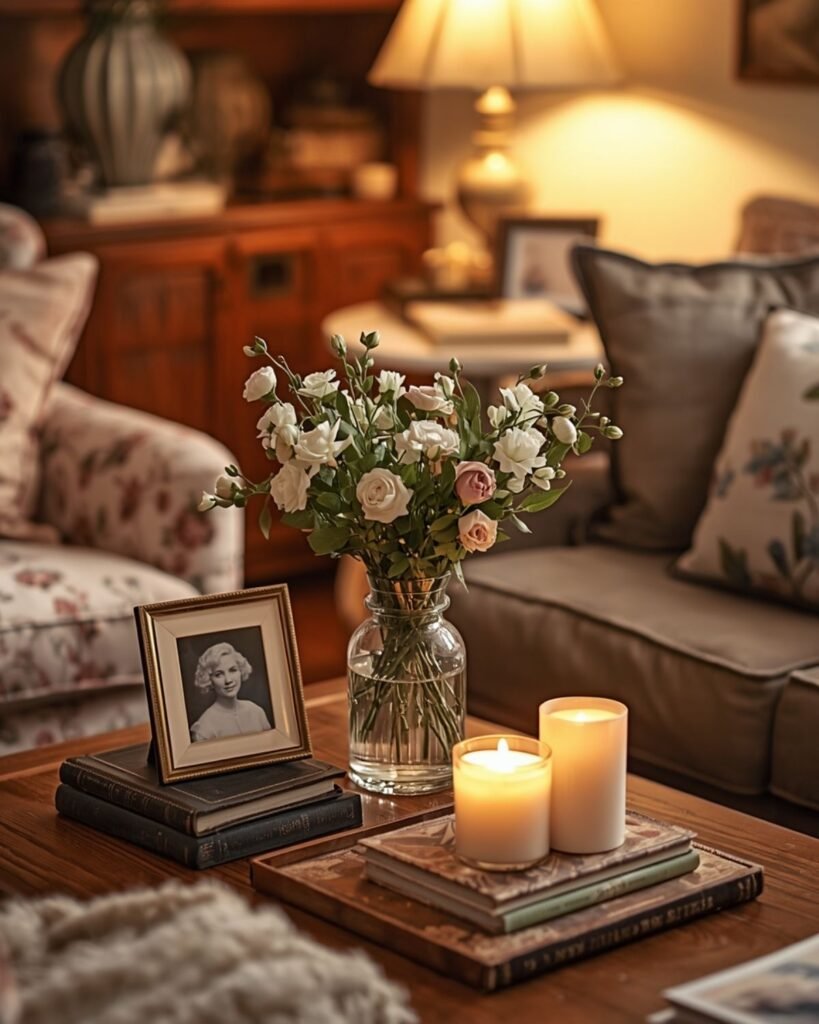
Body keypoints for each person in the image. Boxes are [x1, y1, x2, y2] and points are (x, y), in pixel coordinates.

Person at [189, 641, 272, 742]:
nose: (228, 680)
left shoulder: (257, 712)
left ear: (241, 671)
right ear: (209, 680)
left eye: (233, 670)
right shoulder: (204, 729)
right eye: (219, 674)